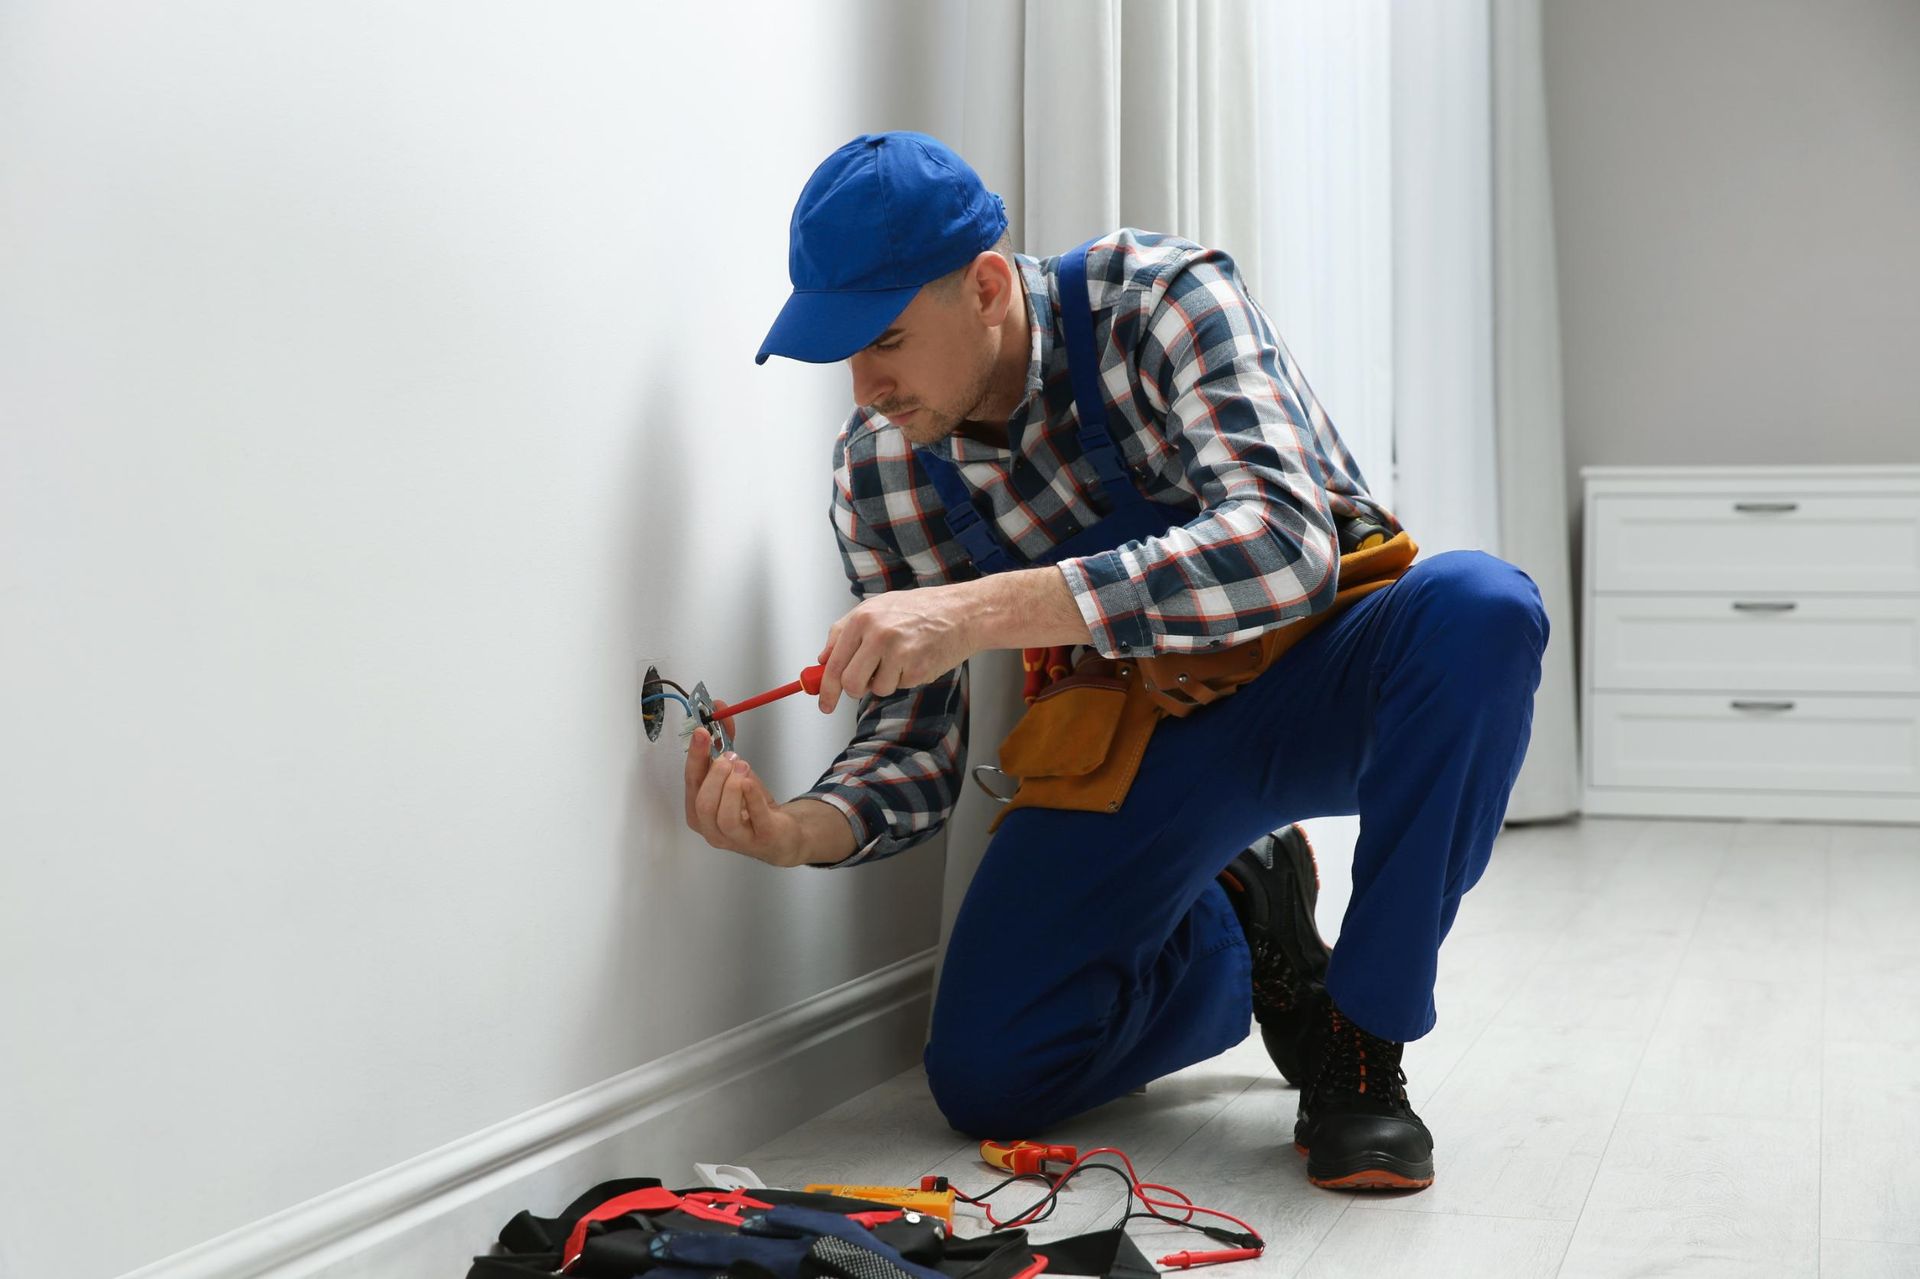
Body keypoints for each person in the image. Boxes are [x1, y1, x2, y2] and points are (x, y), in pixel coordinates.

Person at [683, 131, 1547, 1193]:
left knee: (1485, 609)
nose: (868, 386)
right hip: (1140, 745)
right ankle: (1238, 920)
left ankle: (1361, 1047)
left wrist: (977, 609)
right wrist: (793, 832)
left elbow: (1285, 539)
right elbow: (914, 741)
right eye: (845, 353)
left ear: (988, 286)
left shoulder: (1158, 300)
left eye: (890, 340)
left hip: (1324, 674)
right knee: (989, 1075)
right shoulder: (881, 477)